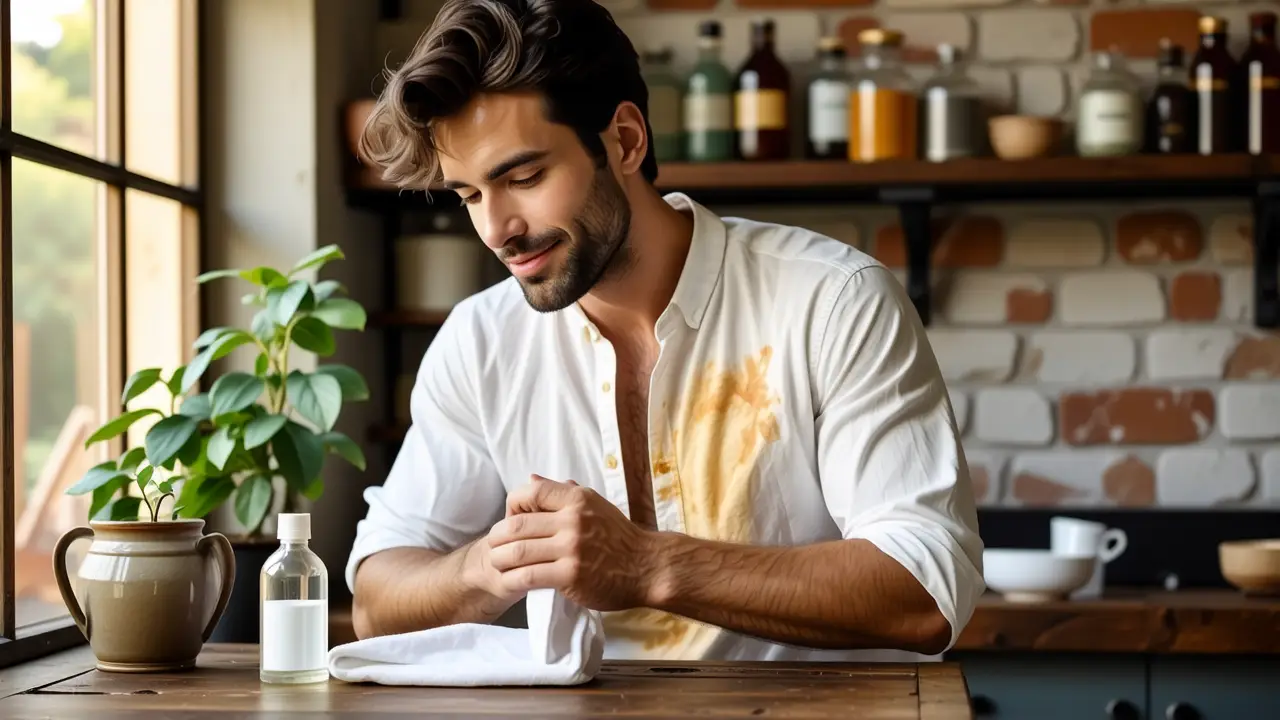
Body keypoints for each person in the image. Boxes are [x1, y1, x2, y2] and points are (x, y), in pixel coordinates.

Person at [345, 0, 984, 663]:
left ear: (624, 140)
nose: (496, 230)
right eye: (470, 195)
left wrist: (647, 566)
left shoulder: (834, 301)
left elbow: (925, 590)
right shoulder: (480, 341)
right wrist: (484, 567)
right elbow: (376, 600)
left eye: (524, 177)